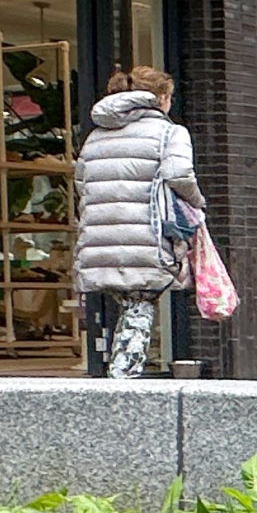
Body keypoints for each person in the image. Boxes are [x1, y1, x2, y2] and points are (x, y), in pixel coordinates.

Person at [73, 66, 203, 379]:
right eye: (169, 96)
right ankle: (123, 381)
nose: (170, 103)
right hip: (147, 237)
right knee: (140, 306)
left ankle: (121, 374)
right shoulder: (171, 133)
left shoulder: (95, 136)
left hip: (100, 238)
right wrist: (199, 203)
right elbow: (179, 176)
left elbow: (82, 185)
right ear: (159, 98)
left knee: (130, 305)